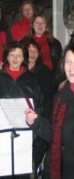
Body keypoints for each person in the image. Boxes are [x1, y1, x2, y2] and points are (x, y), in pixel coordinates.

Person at [0, 42, 44, 179]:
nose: (15, 58)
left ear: (24, 58)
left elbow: (40, 106)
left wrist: (33, 121)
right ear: (7, 57)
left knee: (22, 171)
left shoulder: (31, 80)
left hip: (24, 133)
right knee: (3, 171)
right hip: (3, 133)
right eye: (12, 55)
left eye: (19, 55)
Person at [25, 42, 74, 179]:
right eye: (68, 61)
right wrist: (37, 122)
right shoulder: (60, 97)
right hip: (58, 168)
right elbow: (55, 136)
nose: (71, 67)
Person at [24, 15, 62, 83]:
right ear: (32, 25)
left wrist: (57, 80)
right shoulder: (25, 43)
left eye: (42, 23)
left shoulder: (55, 43)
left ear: (46, 26)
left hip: (51, 79)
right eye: (37, 23)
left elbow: (60, 64)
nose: (40, 25)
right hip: (31, 79)